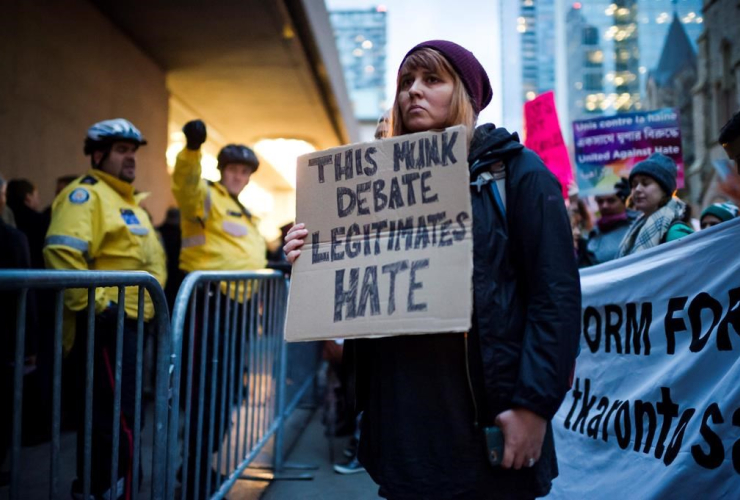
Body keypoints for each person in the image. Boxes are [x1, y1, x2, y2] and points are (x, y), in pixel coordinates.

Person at [284, 40, 581, 499]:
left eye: (432, 80)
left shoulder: (519, 175)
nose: (413, 92)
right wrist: (311, 258)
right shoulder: (372, 185)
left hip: (484, 423)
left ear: (463, 94)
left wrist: (533, 407)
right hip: (403, 427)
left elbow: (555, 297)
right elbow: (354, 299)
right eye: (406, 82)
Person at [43, 118, 166, 500]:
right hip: (105, 325)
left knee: (118, 419)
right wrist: (100, 307)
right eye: (121, 151)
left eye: (133, 151)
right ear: (99, 155)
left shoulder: (129, 201)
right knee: (116, 423)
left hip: (131, 323)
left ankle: (100, 491)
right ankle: (109, 492)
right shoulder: (88, 194)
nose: (131, 159)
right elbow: (62, 252)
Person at [171, 119, 266, 498]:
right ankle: (193, 470)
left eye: (244, 172)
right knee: (207, 391)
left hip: (238, 309)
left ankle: (200, 462)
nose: (239, 176)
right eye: (233, 170)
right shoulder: (206, 197)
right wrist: (192, 149)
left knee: (225, 391)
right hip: (211, 304)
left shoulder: (242, 210)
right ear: (222, 170)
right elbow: (184, 186)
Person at [618, 153, 694, 257]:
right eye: (634, 185)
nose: (637, 189)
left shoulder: (676, 233)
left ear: (664, 190)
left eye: (645, 183)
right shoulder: (637, 227)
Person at [583, 178, 638, 266]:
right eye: (600, 201)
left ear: (624, 201)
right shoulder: (593, 233)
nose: (604, 206)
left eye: (611, 200)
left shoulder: (637, 226)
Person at [6, 178, 51, 270]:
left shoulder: (7, 217)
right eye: (36, 196)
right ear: (28, 198)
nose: (38, 200)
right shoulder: (40, 221)